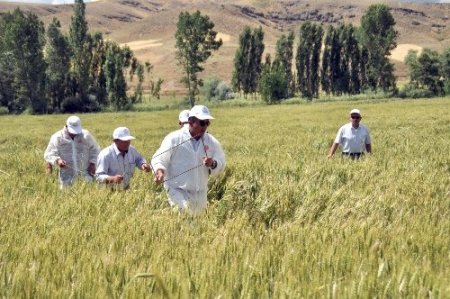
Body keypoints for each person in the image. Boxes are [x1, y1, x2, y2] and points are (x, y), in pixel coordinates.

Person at [152, 105, 226, 216]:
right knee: (185, 216)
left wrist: (213, 163)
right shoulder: (174, 138)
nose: (205, 126)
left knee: (198, 227)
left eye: (207, 123)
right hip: (177, 190)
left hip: (200, 193)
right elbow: (159, 157)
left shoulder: (211, 141)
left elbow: (222, 162)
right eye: (202, 123)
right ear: (191, 122)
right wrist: (159, 171)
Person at [44, 115, 100, 189]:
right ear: (66, 126)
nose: (74, 133)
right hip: (66, 178)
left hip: (85, 176)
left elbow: (96, 150)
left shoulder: (86, 135)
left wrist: (93, 163)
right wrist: (58, 161)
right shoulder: (57, 137)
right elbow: (49, 154)